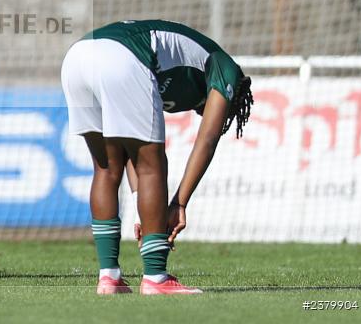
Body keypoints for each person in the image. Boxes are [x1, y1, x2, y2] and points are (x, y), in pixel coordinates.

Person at [60, 19, 253, 295]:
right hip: (121, 57)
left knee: (106, 168)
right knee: (154, 165)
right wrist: (178, 203)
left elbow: (129, 149)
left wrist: (145, 207)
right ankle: (156, 278)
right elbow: (207, 139)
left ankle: (109, 278)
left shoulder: (177, 77)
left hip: (77, 58)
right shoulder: (225, 67)